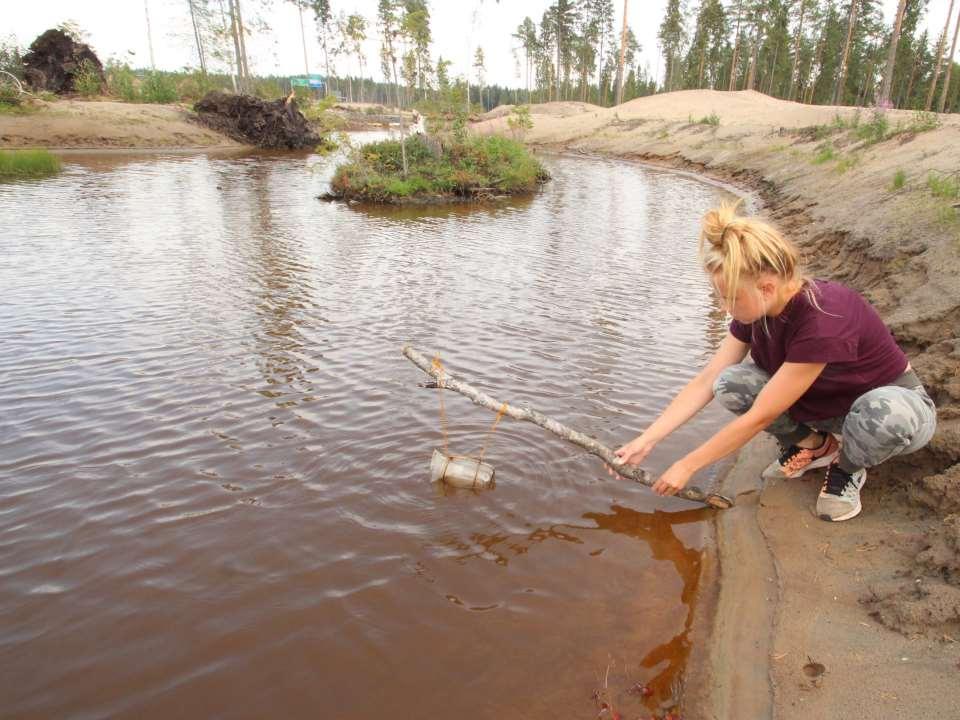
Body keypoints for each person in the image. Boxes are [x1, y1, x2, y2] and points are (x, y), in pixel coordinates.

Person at [612, 200, 937, 521]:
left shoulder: (823, 319)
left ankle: (847, 467)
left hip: (893, 409)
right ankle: (817, 447)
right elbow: (706, 380)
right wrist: (647, 439)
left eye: (729, 298)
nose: (725, 308)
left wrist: (687, 465)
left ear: (767, 287)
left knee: (885, 415)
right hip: (826, 407)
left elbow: (760, 415)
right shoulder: (757, 311)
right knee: (730, 383)